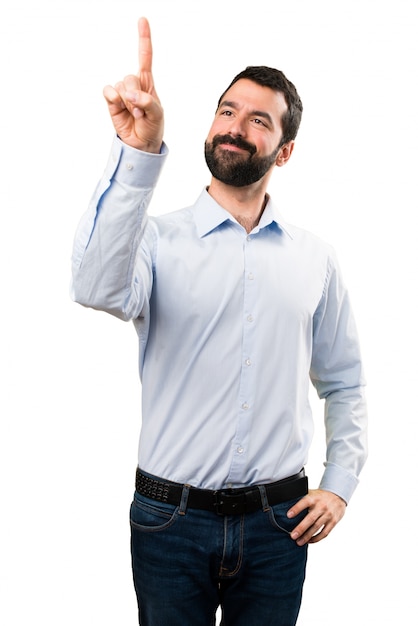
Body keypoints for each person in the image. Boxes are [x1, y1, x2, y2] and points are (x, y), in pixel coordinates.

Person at [71, 17, 367, 626]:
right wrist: (137, 151)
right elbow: (93, 286)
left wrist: (338, 484)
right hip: (168, 522)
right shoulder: (154, 239)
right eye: (227, 111)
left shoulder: (316, 259)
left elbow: (344, 382)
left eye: (259, 120)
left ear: (284, 150)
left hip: (279, 524)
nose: (236, 126)